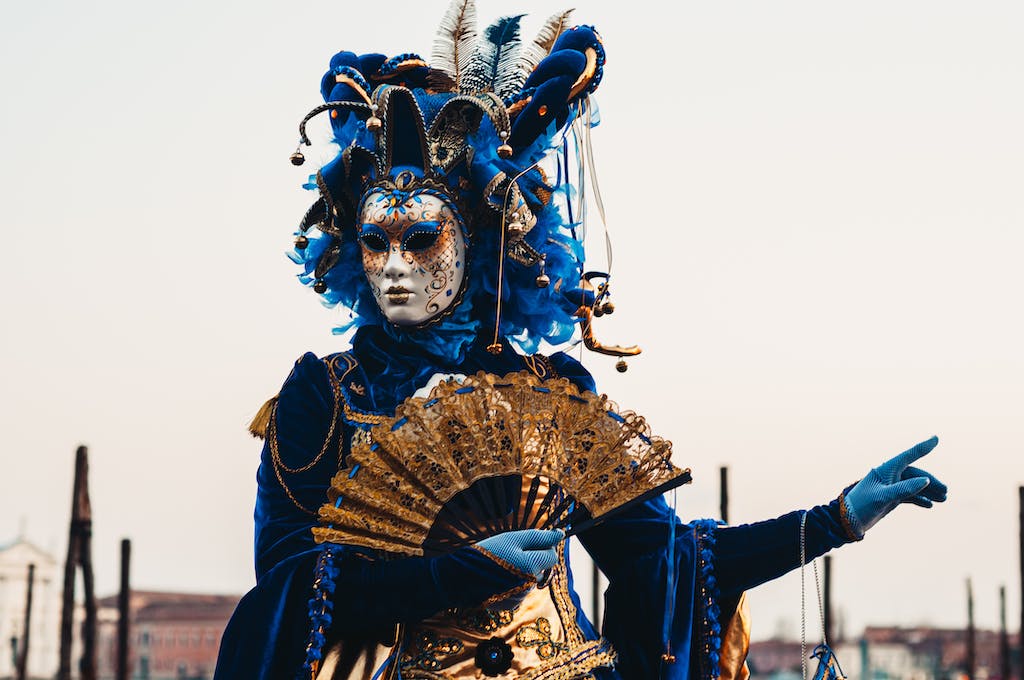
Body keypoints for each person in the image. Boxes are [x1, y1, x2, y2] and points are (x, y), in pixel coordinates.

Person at [213, 4, 946, 679]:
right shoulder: (329, 394)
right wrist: (455, 573)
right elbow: (291, 587)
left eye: (422, 237)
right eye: (376, 241)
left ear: (481, 245)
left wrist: (835, 520)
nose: (397, 266)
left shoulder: (553, 391)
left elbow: (664, 557)